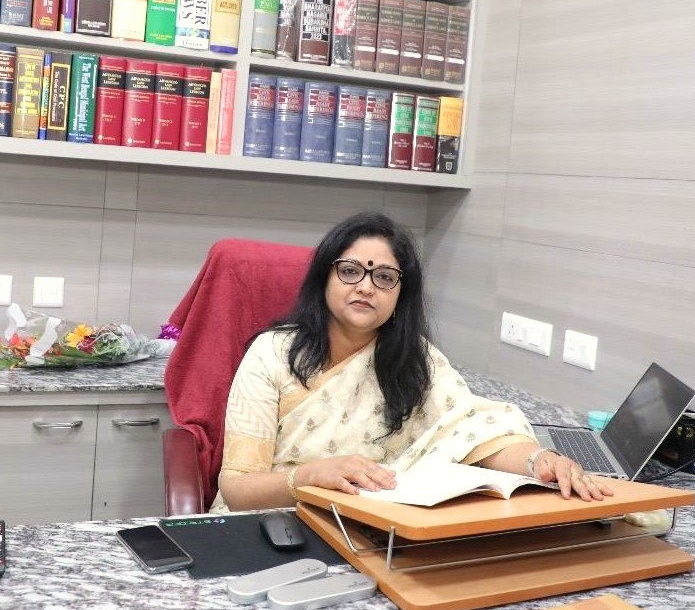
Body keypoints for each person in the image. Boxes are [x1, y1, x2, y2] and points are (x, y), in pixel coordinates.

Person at [211, 212, 613, 513]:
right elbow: (238, 490)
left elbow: (475, 432)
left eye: (385, 277)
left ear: (401, 293)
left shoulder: (416, 360)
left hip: (371, 528)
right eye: (350, 271)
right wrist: (309, 476)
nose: (365, 287)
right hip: (274, 521)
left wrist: (539, 461)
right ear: (323, 279)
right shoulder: (272, 354)